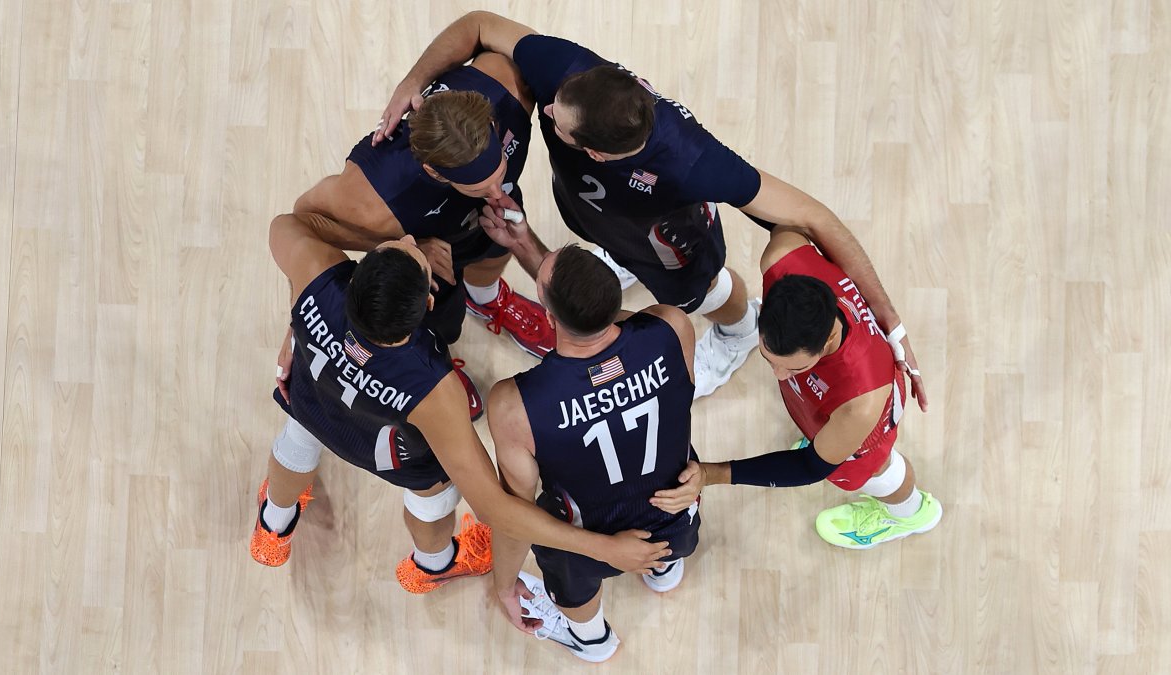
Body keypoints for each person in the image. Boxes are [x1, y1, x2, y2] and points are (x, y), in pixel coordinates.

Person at [375, 11, 927, 407]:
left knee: (706, 290)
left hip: (672, 247)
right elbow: (477, 25)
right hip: (603, 222)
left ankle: (737, 332)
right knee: (605, 252)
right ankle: (618, 257)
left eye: (555, 124)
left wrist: (894, 328)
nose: (543, 108)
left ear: (593, 150)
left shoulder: (694, 161)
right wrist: (412, 80)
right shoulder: (570, 76)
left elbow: (816, 218)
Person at [250, 214, 672, 595]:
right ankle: (435, 564)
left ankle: (274, 524)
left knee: (295, 443)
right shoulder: (436, 391)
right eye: (412, 248)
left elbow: (287, 222)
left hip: (311, 404)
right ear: (428, 305)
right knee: (433, 496)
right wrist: (602, 547)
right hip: (389, 452)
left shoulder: (314, 274)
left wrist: (297, 324)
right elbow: (493, 507)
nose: (411, 235)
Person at [479, 209, 702, 662]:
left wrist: (504, 583)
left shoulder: (512, 405)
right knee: (670, 509)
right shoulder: (672, 326)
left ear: (547, 311)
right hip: (678, 518)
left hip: (583, 545)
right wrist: (526, 246)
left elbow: (513, 514)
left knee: (565, 566)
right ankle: (664, 572)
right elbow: (612, 326)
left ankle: (591, 640)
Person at [285, 51, 554, 419]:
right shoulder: (369, 195)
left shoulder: (505, 82)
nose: (498, 193)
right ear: (436, 173)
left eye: (499, 171)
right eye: (479, 186)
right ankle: (438, 364)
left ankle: (489, 299)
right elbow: (303, 221)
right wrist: (401, 248)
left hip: (481, 229)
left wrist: (413, 79)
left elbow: (478, 22)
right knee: (434, 326)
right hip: (428, 258)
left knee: (492, 254)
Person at [664, 228, 942, 549]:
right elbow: (795, 218)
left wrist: (710, 475)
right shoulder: (782, 257)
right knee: (821, 433)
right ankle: (826, 439)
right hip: (831, 410)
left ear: (828, 341)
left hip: (863, 428)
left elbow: (810, 467)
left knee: (878, 472)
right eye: (770, 360)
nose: (781, 376)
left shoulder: (859, 403)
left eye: (795, 367)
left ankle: (909, 514)